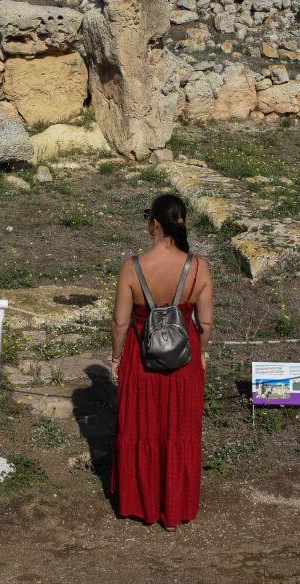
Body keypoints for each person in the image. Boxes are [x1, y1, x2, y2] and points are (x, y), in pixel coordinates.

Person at [108, 193, 214, 531]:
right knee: (179, 433)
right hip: (184, 365)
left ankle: (141, 505)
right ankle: (174, 510)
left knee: (142, 430)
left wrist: (115, 358)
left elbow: (121, 323)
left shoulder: (132, 267)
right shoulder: (198, 267)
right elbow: (206, 322)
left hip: (143, 362)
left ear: (154, 223)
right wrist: (203, 352)